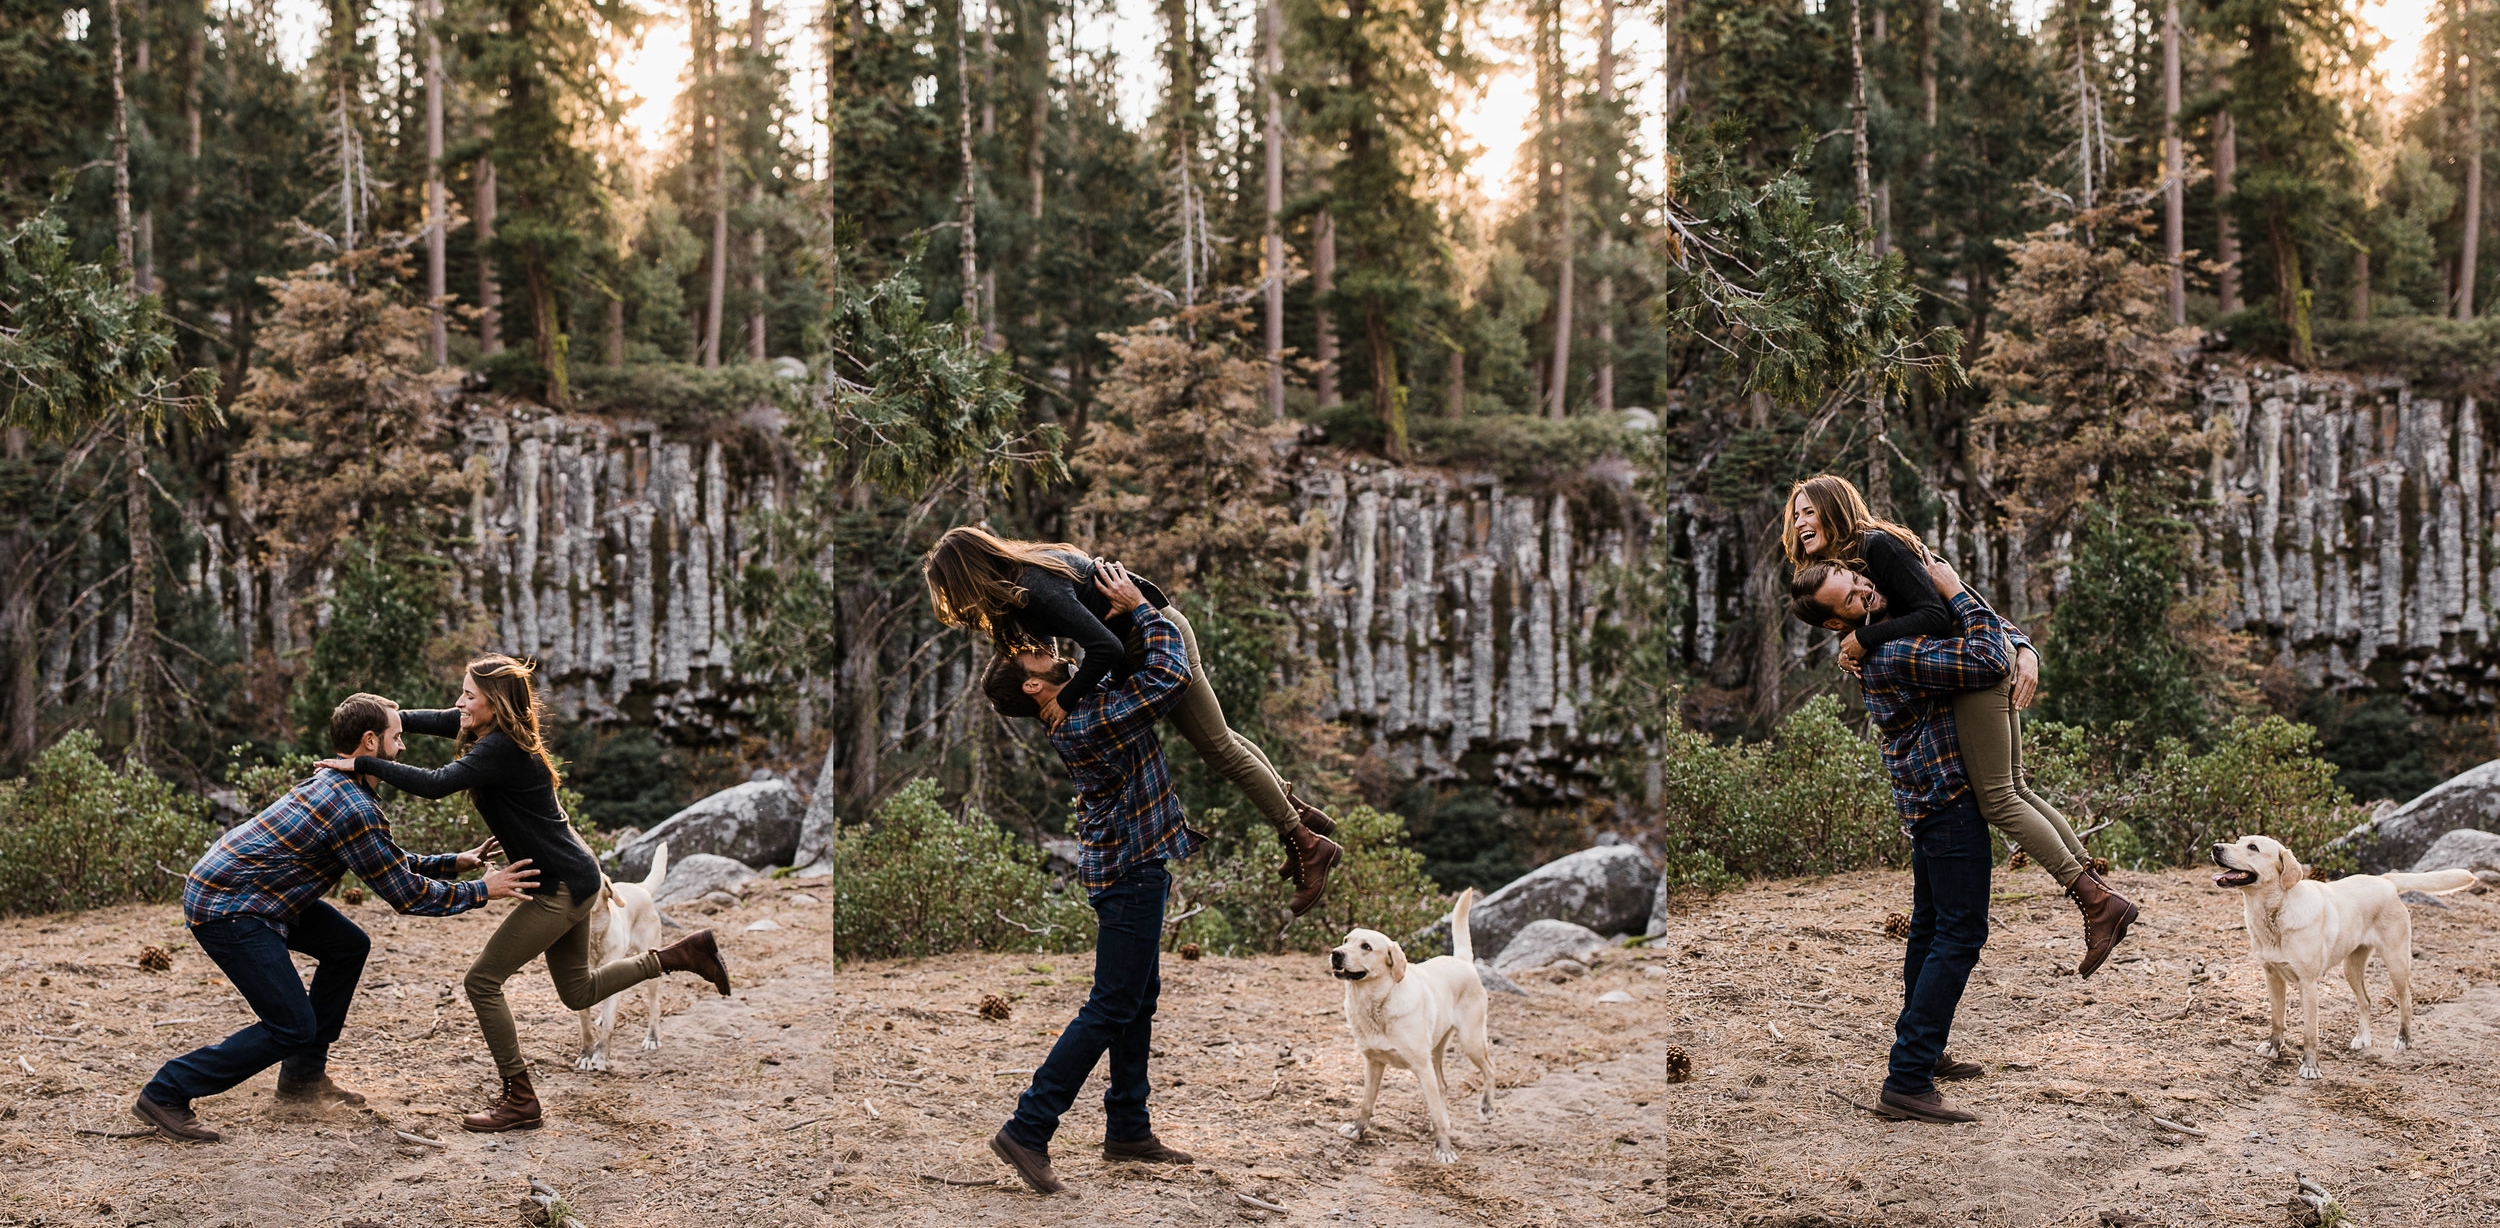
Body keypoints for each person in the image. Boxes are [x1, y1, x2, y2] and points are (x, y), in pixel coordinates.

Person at [312, 654, 732, 1132]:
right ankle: (683, 953)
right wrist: (389, 720)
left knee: (481, 982)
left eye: (469, 695)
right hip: (575, 876)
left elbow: (436, 785)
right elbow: (440, 718)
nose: (459, 702)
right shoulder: (492, 732)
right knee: (579, 993)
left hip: (561, 887)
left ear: (494, 703)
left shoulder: (502, 750)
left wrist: (363, 761)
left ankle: (520, 1098)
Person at [132, 693, 537, 1143]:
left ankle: (302, 1077)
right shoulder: (354, 807)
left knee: (347, 945)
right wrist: (485, 890)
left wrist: (452, 862)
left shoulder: (341, 787)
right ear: (370, 741)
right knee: (290, 1024)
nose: (402, 749)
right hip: (230, 906)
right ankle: (166, 1092)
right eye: (396, 738)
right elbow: (405, 896)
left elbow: (383, 860)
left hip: (260, 893)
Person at [1783, 473, 2137, 977]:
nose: (1799, 522)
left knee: (1998, 798)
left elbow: (1938, 606)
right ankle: (2096, 892)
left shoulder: (1877, 546)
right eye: (1794, 514)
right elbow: (1948, 600)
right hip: (1974, 660)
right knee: (2014, 788)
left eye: (1808, 511)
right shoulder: (1857, 563)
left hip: (1974, 668)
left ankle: (2096, 900)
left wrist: (1869, 639)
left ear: (1835, 508)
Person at [924, 525, 1343, 918]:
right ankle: (1299, 813)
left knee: (1218, 749)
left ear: (967, 577)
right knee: (1219, 739)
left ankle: (1305, 842)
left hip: (1154, 635)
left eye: (953, 592)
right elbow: (1047, 645)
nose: (959, 603)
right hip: (1139, 638)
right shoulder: (1023, 578)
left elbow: (1103, 648)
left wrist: (1067, 700)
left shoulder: (1034, 588)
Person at [977, 561, 1200, 1194]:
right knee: (1110, 1005)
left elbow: (1116, 670)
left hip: (1130, 868)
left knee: (1136, 1000)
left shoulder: (1079, 708)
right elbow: (1167, 679)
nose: (1051, 655)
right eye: (1039, 659)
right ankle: (1028, 1127)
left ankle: (1128, 1128)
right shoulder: (1083, 723)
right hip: (1130, 873)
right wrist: (1138, 609)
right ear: (1029, 690)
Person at [1846, 556, 2035, 1123]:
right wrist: (1955, 591)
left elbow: (1996, 641)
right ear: (1842, 629)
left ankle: (1922, 1057)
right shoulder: (1894, 651)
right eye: (1852, 599)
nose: (1866, 591)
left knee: (1930, 931)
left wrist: (2027, 644)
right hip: (1949, 803)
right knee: (1960, 934)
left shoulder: (1885, 637)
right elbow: (1983, 658)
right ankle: (1907, 1079)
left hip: (1929, 803)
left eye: (1862, 580)